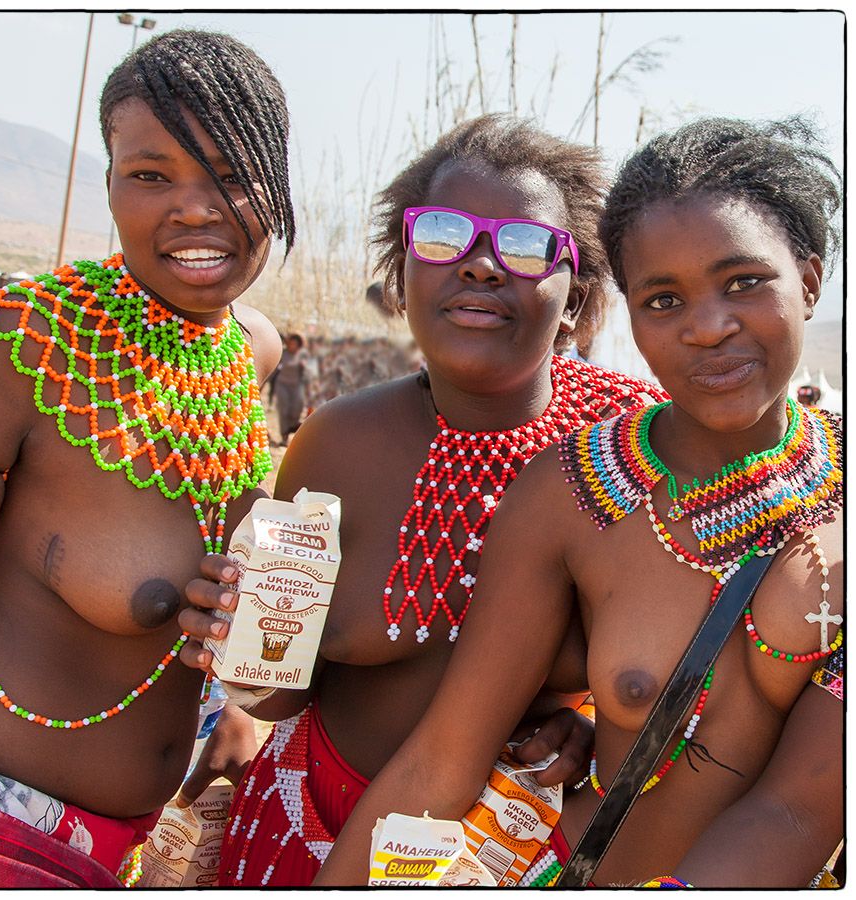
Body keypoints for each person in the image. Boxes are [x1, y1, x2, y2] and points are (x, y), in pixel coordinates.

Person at [311, 116, 843, 888]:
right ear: (626, 312)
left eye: (744, 282)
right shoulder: (570, 494)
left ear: (811, 281)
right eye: (663, 299)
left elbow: (800, 809)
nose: (707, 326)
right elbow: (440, 765)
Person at [179, 113, 667, 886]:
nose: (479, 265)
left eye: (526, 245)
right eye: (442, 235)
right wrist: (236, 654)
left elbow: (670, 674)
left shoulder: (623, 455)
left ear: (576, 298)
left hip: (512, 856)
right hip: (310, 831)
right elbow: (281, 690)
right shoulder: (336, 444)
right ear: (401, 277)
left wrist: (588, 724)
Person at [0, 29, 296, 888]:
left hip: (146, 843)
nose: (193, 209)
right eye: (150, 174)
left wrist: (233, 700)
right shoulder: (19, 347)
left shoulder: (250, 350)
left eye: (231, 174)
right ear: (109, 184)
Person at [273, 331, 311, 444]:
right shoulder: (283, 354)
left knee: (296, 409)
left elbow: (309, 373)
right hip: (282, 384)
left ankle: (292, 428)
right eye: (290, 344)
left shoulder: (303, 355)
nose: (292, 346)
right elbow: (274, 368)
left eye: (294, 344)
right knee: (283, 409)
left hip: (297, 386)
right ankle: (284, 436)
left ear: (299, 345)